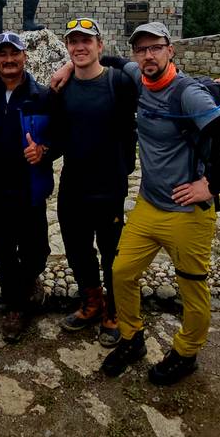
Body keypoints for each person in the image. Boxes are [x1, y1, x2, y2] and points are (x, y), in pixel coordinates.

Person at [102, 22, 220, 384]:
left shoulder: (189, 97)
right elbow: (111, 59)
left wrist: (211, 186)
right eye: (141, 49)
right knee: (121, 272)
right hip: (148, 206)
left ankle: (186, 353)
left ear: (171, 50)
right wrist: (66, 67)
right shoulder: (139, 76)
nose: (147, 55)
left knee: (192, 287)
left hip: (188, 213)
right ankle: (131, 337)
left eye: (155, 47)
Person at [54, 18, 138, 346]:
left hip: (109, 185)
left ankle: (113, 312)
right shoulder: (61, 89)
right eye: (73, 42)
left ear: (100, 46)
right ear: (67, 48)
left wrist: (218, 87)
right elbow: (58, 136)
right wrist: (43, 151)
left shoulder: (119, 83)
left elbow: (156, 75)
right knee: (77, 250)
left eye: (87, 41)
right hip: (74, 183)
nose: (80, 47)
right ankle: (92, 302)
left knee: (112, 252)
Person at [0, 32, 53, 341]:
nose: (8, 60)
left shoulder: (42, 95)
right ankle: (16, 305)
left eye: (14, 54)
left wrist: (44, 149)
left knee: (37, 250)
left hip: (29, 186)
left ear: (25, 57)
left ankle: (29, 280)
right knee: (1, 249)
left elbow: (59, 135)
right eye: (2, 54)